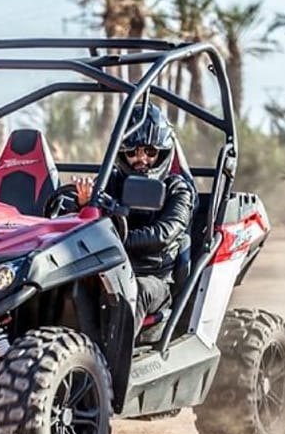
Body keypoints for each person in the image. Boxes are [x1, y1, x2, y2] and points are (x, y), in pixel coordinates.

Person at [74, 103, 195, 338]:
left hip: (154, 278)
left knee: (135, 290)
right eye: (132, 152)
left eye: (150, 152)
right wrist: (83, 204)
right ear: (122, 154)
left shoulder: (178, 189)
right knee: (71, 286)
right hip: (108, 268)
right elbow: (84, 221)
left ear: (162, 151)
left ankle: (113, 370)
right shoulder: (110, 181)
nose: (141, 160)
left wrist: (113, 240)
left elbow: (163, 234)